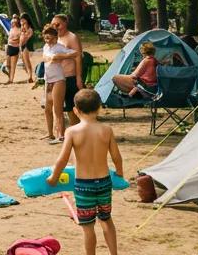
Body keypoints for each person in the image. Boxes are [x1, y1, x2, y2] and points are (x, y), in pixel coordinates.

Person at [47, 89, 123, 255]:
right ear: (99, 108)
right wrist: (119, 173)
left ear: (76, 110)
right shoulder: (106, 130)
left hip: (84, 185)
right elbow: (116, 156)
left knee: (88, 227)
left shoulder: (72, 131)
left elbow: (63, 159)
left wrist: (54, 178)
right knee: (107, 220)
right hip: (104, 182)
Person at [41, 25, 76, 143]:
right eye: (46, 38)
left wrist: (61, 56)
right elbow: (45, 58)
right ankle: (50, 133)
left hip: (58, 80)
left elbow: (75, 53)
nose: (48, 41)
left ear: (56, 37)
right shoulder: (45, 47)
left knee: (58, 109)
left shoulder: (59, 47)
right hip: (48, 79)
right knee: (47, 108)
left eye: (50, 38)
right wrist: (51, 57)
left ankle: (61, 135)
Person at [52, 13, 85, 128]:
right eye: (53, 25)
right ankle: (61, 133)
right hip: (57, 77)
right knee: (58, 106)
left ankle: (76, 131)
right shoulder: (55, 38)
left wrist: (78, 77)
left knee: (72, 107)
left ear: (65, 23)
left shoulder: (72, 37)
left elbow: (78, 57)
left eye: (58, 24)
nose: (55, 27)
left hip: (70, 76)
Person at [5, 14, 23, 84]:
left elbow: (19, 39)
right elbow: (9, 38)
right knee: (8, 64)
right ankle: (10, 77)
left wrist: (14, 40)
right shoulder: (11, 29)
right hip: (9, 47)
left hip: (15, 48)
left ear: (17, 23)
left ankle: (11, 79)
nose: (12, 23)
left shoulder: (20, 30)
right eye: (12, 22)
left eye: (14, 22)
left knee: (13, 65)